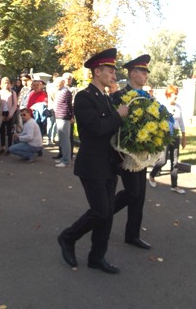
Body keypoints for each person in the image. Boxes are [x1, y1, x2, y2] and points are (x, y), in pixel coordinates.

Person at [57, 48, 128, 274]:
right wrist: (119, 115)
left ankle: (97, 257)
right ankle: (68, 237)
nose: (114, 75)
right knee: (100, 212)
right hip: (92, 165)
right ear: (98, 71)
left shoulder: (105, 98)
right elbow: (97, 128)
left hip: (108, 164)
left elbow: (111, 129)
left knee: (107, 214)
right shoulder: (84, 97)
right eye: (110, 71)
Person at [112, 54, 152, 250]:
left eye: (146, 72)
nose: (146, 75)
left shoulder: (148, 98)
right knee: (132, 192)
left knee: (140, 195)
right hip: (124, 153)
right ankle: (103, 212)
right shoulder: (119, 96)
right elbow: (114, 124)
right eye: (143, 71)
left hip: (141, 153)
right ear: (133, 73)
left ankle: (133, 235)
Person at [148, 85, 187, 194]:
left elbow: (181, 122)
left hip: (175, 135)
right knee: (163, 160)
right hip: (165, 135)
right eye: (174, 94)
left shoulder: (178, 107)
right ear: (169, 95)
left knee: (175, 161)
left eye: (177, 94)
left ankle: (174, 185)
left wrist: (184, 137)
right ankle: (152, 174)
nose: (176, 96)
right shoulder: (163, 106)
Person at [55, 76, 74, 168]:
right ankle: (64, 158)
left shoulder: (66, 92)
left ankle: (66, 161)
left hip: (64, 117)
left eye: (57, 83)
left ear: (62, 82)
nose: (56, 85)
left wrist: (71, 117)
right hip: (60, 116)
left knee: (65, 140)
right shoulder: (61, 91)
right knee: (62, 140)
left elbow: (69, 106)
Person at [0, 76, 18, 153]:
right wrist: (0, 115)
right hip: (1, 112)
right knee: (2, 131)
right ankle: (3, 146)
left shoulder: (13, 93)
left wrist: (10, 114)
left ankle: (10, 147)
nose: (6, 84)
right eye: (4, 83)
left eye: (7, 83)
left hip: (9, 112)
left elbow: (15, 104)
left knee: (10, 131)